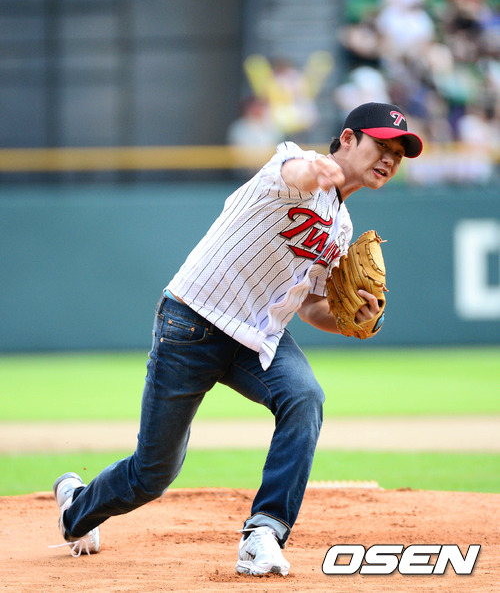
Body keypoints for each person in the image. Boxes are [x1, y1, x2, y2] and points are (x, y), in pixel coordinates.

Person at [52, 102, 423, 575]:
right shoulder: (294, 164)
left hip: (257, 340)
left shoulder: (342, 226)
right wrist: (315, 171)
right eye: (382, 145)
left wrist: (358, 320)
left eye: (398, 153)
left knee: (305, 397)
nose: (390, 158)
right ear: (348, 139)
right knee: (153, 473)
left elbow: (311, 307)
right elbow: (296, 172)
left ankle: (264, 532)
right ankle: (76, 509)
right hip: (192, 323)